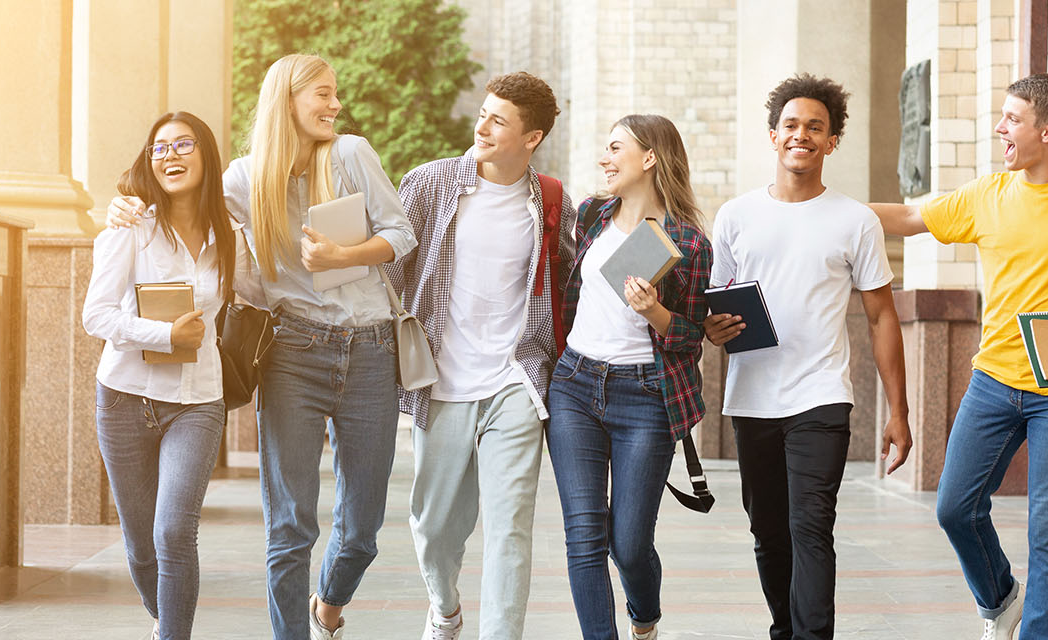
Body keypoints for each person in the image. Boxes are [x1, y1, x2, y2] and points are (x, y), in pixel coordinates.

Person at [105, 54, 418, 640]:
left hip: (372, 349)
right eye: (323, 93)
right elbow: (183, 209)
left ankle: (329, 602)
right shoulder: (243, 180)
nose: (335, 105)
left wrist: (343, 257)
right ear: (288, 100)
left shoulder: (351, 154)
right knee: (290, 526)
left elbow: (402, 233)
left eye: (334, 94)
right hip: (293, 353)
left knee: (362, 529)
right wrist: (126, 203)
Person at [867, 72, 1048, 640]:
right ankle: (1000, 600)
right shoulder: (986, 195)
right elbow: (909, 218)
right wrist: (821, 209)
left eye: (1012, 119)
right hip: (993, 381)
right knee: (954, 506)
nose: (1000, 128)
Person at [702, 74, 912, 640]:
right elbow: (714, 308)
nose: (802, 135)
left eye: (815, 127)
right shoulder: (735, 216)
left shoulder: (855, 221)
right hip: (752, 396)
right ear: (773, 136)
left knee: (811, 526)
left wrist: (899, 411)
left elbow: (881, 317)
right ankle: (783, 629)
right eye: (791, 125)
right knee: (768, 531)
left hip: (821, 396)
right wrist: (715, 328)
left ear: (831, 141)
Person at [388, 71, 574, 640]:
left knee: (510, 528)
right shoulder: (429, 183)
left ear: (531, 137)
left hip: (515, 380)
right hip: (440, 381)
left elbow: (571, 276)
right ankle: (445, 607)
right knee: (436, 525)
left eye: (499, 120)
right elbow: (390, 271)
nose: (483, 125)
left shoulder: (550, 201)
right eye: (484, 113)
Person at [82, 111, 262, 640]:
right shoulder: (129, 227)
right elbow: (95, 314)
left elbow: (261, 292)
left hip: (198, 402)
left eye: (183, 145)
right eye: (159, 149)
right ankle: (164, 616)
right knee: (141, 544)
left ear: (206, 156)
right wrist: (164, 337)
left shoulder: (228, 233)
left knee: (174, 532)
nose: (171, 156)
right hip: (124, 399)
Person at [547, 114, 712, 640]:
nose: (604, 158)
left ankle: (645, 618)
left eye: (615, 147)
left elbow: (692, 338)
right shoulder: (592, 215)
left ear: (650, 158)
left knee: (630, 544)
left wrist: (655, 313)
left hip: (645, 396)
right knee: (584, 536)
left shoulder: (687, 240)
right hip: (574, 384)